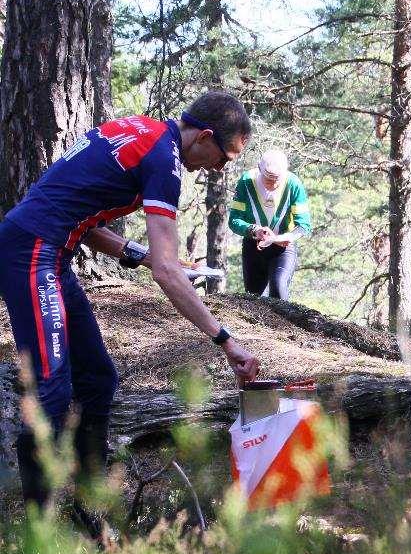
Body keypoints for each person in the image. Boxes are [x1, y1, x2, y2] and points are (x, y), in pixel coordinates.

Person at [0, 91, 260, 531]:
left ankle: (91, 504)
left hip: (51, 250)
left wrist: (135, 253)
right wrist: (226, 341)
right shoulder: (165, 162)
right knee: (52, 391)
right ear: (206, 137)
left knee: (98, 377)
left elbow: (79, 213)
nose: (220, 169)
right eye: (223, 158)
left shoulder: (144, 130)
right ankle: (35, 532)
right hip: (32, 251)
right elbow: (165, 271)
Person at [229, 149, 311, 300]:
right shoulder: (246, 182)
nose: (272, 184)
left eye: (277, 180)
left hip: (282, 247)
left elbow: (304, 225)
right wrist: (254, 230)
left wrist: (283, 238)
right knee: (254, 297)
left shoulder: (293, 184)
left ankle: (286, 324)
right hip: (254, 244)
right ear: (259, 169)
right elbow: (234, 220)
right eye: (268, 180)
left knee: (278, 288)